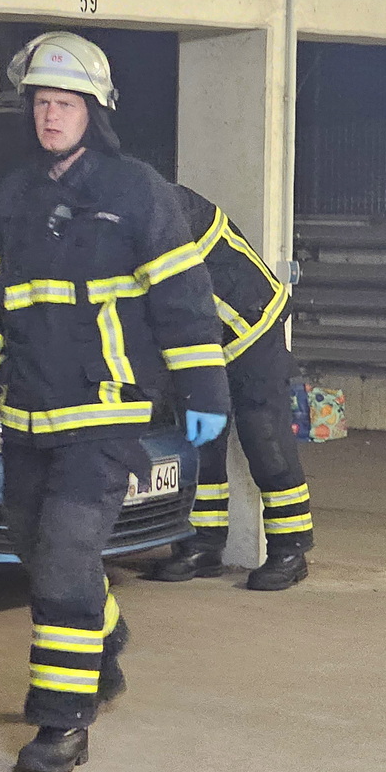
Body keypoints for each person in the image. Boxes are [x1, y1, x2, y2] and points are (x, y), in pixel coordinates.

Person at [0, 31, 229, 772]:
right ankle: (104, 641)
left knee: (65, 562)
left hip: (105, 417)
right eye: (40, 103)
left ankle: (62, 721)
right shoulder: (10, 196)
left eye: (64, 104)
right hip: (29, 416)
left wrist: (204, 392)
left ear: (94, 111)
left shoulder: (137, 193)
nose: (50, 116)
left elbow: (185, 304)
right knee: (37, 554)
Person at [142, 184, 314, 590]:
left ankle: (291, 551)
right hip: (204, 345)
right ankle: (202, 545)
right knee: (202, 442)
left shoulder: (160, 205)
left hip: (253, 330)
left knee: (265, 439)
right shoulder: (129, 210)